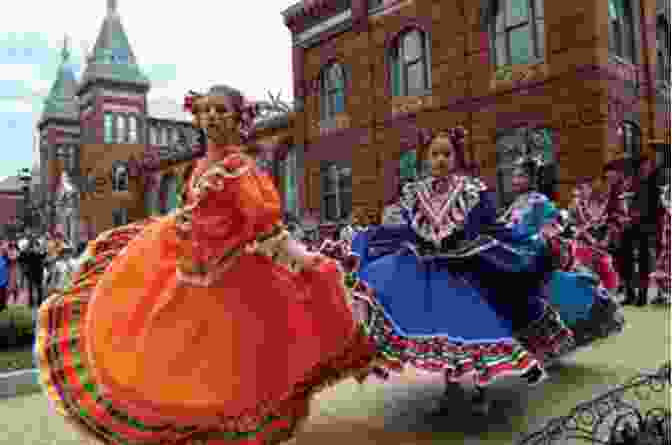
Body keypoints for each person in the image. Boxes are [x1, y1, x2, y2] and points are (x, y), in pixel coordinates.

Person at [35, 84, 376, 445]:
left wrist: (305, 260)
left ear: (238, 120)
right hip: (187, 271)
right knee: (170, 351)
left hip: (233, 280)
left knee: (229, 371)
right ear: (197, 117)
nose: (211, 117)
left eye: (221, 111)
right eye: (206, 110)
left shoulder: (241, 169)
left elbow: (267, 228)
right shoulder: (200, 165)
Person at [349, 127, 575, 415]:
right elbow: (406, 231)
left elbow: (493, 227)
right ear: (426, 159)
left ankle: (480, 390)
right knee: (444, 333)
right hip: (429, 274)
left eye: (447, 153)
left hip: (468, 271)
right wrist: (368, 237)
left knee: (474, 327)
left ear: (456, 157)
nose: (441, 160)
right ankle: (451, 389)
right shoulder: (415, 194)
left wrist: (531, 240)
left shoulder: (472, 191)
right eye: (435, 154)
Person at [497, 155, 624, 351]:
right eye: (514, 176)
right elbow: (507, 227)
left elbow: (554, 225)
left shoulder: (539, 201)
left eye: (521, 176)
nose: (515, 181)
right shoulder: (517, 203)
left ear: (532, 179)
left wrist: (536, 239)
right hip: (516, 255)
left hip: (531, 257)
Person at [618, 157, 660, 306]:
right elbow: (621, 203)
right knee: (626, 260)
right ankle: (630, 294)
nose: (646, 169)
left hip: (645, 228)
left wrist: (639, 216)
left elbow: (657, 209)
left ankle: (642, 296)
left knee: (644, 262)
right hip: (628, 227)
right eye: (643, 167)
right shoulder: (629, 184)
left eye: (648, 167)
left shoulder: (653, 186)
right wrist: (624, 217)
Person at [650, 182, 670, 303]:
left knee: (663, 271)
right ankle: (663, 295)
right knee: (659, 272)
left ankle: (665, 295)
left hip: (667, 245)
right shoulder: (665, 214)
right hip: (664, 244)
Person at [0, 240, 8, 312]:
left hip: (3, 277)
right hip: (2, 277)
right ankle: (2, 305)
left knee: (3, 292)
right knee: (2, 292)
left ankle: (3, 305)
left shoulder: (4, 256)